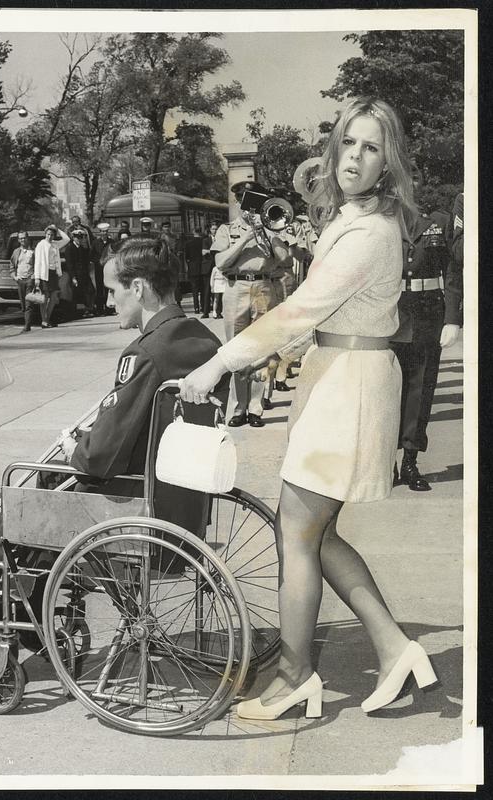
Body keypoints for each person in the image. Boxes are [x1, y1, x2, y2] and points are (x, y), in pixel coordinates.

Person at [180, 97, 438, 719]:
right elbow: (317, 317)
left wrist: (222, 362)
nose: (355, 157)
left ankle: (297, 675)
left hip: (349, 387)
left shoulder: (370, 232)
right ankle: (394, 647)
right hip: (339, 376)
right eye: (349, 142)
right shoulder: (355, 220)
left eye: (371, 147)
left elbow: (301, 309)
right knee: (312, 532)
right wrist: (282, 354)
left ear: (389, 162)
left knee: (298, 530)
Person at [0, 237, 229, 660]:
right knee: (35, 497)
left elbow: (99, 456)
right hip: (181, 500)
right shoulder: (202, 340)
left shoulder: (147, 352)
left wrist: (76, 445)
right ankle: (21, 609)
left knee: (11, 515)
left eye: (114, 291)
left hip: (131, 504)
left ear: (140, 288)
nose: (110, 302)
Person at [390, 167, 463, 491]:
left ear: (421, 184)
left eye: (415, 179)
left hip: (427, 313)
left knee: (420, 391)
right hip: (389, 312)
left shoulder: (439, 219)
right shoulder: (382, 220)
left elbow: (451, 272)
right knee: (387, 391)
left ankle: (410, 461)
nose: (410, 184)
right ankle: (384, 462)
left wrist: (451, 319)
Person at [211, 180, 290, 428]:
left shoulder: (271, 227)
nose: (251, 209)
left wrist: (268, 233)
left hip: (264, 287)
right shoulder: (227, 229)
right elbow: (221, 262)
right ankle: (238, 408)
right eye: (247, 201)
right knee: (236, 350)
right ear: (239, 202)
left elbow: (285, 259)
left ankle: (255, 408)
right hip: (237, 289)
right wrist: (245, 237)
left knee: (261, 350)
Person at [34, 224, 70, 328]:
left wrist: (57, 228)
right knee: (44, 298)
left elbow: (67, 239)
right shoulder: (41, 245)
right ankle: (44, 321)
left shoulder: (55, 244)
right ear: (45, 234)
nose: (50, 236)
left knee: (54, 298)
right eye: (48, 234)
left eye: (52, 235)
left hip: (54, 273)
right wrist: (37, 277)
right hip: (44, 274)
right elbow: (37, 262)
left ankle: (47, 319)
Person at [9, 231, 36, 332]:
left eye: (24, 238)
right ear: (18, 240)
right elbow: (11, 266)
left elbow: (37, 265)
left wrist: (34, 276)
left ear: (27, 238)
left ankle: (27, 326)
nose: (22, 240)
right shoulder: (16, 252)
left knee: (29, 303)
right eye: (20, 238)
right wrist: (14, 277)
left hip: (30, 280)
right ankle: (27, 323)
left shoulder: (33, 251)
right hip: (20, 281)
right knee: (23, 304)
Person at [185, 227, 204, 314]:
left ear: (193, 232)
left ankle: (196, 308)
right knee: (203, 288)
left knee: (194, 290)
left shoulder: (188, 243)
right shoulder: (203, 241)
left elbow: (187, 257)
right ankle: (203, 306)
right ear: (200, 232)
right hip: (203, 268)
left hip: (192, 268)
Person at [201, 222, 218, 318]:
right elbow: (203, 252)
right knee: (207, 290)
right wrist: (214, 251)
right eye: (213, 229)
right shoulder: (206, 240)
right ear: (210, 230)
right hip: (208, 267)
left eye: (216, 229)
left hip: (217, 266)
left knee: (218, 290)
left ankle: (218, 311)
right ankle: (205, 312)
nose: (214, 231)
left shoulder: (220, 240)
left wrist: (209, 251)